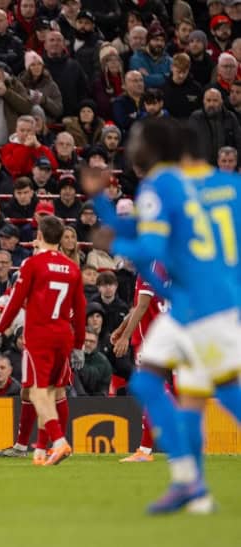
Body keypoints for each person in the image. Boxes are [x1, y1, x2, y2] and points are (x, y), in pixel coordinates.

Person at [83, 118, 239, 513]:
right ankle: (193, 488)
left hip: (197, 307)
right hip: (212, 302)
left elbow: (149, 242)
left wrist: (116, 237)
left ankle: (189, 481)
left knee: (219, 392)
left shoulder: (164, 185)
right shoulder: (230, 188)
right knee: (181, 392)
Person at [0, 215, 86, 466]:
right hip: (63, 335)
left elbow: (15, 299)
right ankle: (41, 449)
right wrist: (78, 344)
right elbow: (81, 306)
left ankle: (58, 441)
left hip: (40, 334)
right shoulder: (72, 267)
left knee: (37, 392)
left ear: (40, 236)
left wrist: (0, 329)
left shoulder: (32, 264)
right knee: (52, 391)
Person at [110, 271, 167, 463]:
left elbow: (142, 305)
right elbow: (139, 305)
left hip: (150, 341)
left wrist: (126, 336)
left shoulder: (149, 267)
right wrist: (121, 328)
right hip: (171, 337)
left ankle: (145, 450)